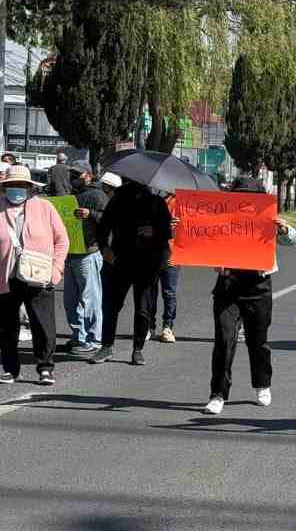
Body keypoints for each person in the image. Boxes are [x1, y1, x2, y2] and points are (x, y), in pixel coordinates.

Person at [203, 177, 296, 415]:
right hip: (228, 286)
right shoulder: (222, 217)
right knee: (224, 341)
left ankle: (262, 384)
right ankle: (218, 394)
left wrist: (284, 229)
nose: (244, 200)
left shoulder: (266, 216)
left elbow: (293, 239)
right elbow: (201, 240)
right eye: (239, 195)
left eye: (249, 196)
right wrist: (181, 230)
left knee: (258, 341)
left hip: (258, 286)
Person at [90, 180, 173, 366]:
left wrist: (154, 231)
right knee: (111, 306)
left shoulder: (157, 203)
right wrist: (105, 250)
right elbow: (103, 227)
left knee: (143, 309)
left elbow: (168, 233)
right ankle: (106, 346)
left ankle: (138, 349)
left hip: (147, 264)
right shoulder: (118, 200)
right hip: (119, 261)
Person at [0, 165, 69, 385]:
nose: (16, 189)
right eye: (12, 185)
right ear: (4, 187)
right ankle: (10, 368)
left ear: (30, 188)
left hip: (39, 275)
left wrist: (56, 270)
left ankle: (45, 368)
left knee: (43, 324)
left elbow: (62, 240)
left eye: (21, 185)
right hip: (6, 277)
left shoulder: (45, 208)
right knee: (6, 326)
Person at [62, 161, 109, 356]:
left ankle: (93, 338)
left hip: (88, 253)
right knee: (71, 300)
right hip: (72, 252)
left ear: (89, 175)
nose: (74, 177)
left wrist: (91, 214)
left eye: (78, 174)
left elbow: (109, 221)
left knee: (90, 298)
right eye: (72, 173)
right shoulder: (73, 195)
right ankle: (79, 336)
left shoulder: (98, 195)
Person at [149, 192, 179, 343]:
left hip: (173, 252)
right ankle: (149, 326)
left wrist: (180, 225)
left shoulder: (181, 202)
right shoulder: (152, 200)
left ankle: (168, 327)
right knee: (150, 290)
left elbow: (193, 229)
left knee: (169, 292)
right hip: (153, 251)